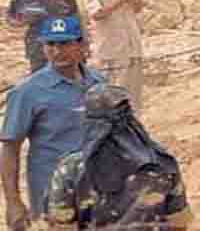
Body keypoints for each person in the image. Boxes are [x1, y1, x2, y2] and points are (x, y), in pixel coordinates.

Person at [2, 16, 105, 229]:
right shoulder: (27, 92)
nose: (57, 51)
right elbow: (10, 148)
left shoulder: (99, 83)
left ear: (81, 45)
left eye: (65, 43)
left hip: (98, 187)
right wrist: (13, 202)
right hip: (52, 193)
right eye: (51, 44)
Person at [44, 84, 192, 230]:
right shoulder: (161, 162)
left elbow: (61, 224)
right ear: (131, 120)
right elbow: (178, 222)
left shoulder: (71, 168)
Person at [81, 0, 145, 112]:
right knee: (111, 95)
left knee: (132, 95)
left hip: (131, 47)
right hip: (111, 50)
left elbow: (137, 9)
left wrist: (136, 0)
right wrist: (120, 1)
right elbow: (97, 14)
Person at [7, 0, 81, 73]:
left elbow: (75, 17)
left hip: (63, 44)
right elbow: (11, 18)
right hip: (37, 47)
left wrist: (81, 42)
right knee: (40, 81)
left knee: (66, 79)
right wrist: (22, 21)